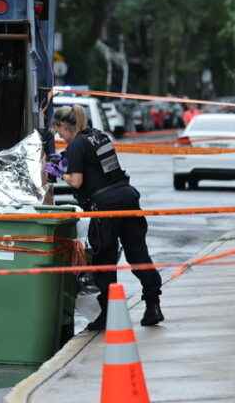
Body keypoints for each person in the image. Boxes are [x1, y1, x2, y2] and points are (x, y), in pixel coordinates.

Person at [46, 105, 164, 331]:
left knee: (104, 261)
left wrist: (59, 172)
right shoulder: (100, 137)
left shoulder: (77, 144)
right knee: (138, 255)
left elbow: (78, 181)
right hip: (127, 199)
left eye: (59, 131)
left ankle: (108, 315)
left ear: (64, 126)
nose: (60, 136)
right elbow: (104, 169)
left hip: (105, 208)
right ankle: (153, 305)